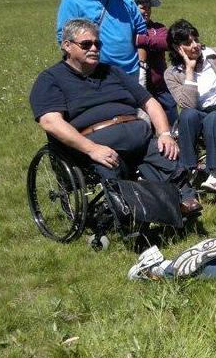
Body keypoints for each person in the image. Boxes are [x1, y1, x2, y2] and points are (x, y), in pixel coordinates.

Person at [30, 18, 201, 215]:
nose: (94, 48)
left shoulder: (112, 72)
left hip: (139, 136)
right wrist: (92, 149)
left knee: (166, 155)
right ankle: (137, 214)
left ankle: (183, 202)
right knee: (111, 165)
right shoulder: (51, 79)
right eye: (86, 44)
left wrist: (164, 133)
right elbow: (50, 122)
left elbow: (150, 102)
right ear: (67, 46)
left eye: (97, 44)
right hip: (97, 145)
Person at [163, 19, 216, 192]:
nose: (195, 45)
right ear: (177, 48)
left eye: (196, 39)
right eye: (187, 42)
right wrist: (189, 70)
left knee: (214, 118)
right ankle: (187, 168)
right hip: (199, 112)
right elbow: (189, 104)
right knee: (186, 115)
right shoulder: (171, 74)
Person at [56, 0, 147, 79]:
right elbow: (64, 38)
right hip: (95, 74)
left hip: (131, 71)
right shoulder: (72, 1)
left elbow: (141, 32)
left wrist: (142, 66)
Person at [130, 0, 178, 125]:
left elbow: (168, 42)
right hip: (134, 85)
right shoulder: (125, 29)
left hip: (160, 87)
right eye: (142, 7)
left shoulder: (158, 28)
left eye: (148, 7)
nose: (146, 11)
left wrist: (141, 40)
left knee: (172, 118)